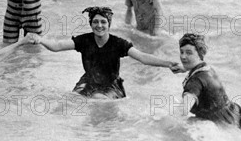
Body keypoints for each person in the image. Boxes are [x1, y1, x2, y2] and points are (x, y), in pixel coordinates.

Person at [30, 6, 182, 99]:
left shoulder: (118, 43)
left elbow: (142, 57)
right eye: (95, 22)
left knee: (97, 99)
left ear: (109, 24)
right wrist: (40, 40)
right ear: (91, 24)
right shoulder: (84, 40)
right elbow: (57, 46)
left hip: (111, 84)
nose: (99, 25)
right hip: (88, 81)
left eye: (103, 22)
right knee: (72, 101)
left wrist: (168, 64)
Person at [177, 33, 241, 130]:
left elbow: (182, 111)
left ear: (199, 54)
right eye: (181, 52)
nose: (183, 57)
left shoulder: (195, 82)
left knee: (188, 122)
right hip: (236, 115)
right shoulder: (205, 68)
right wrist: (185, 68)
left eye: (189, 53)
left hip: (223, 126)